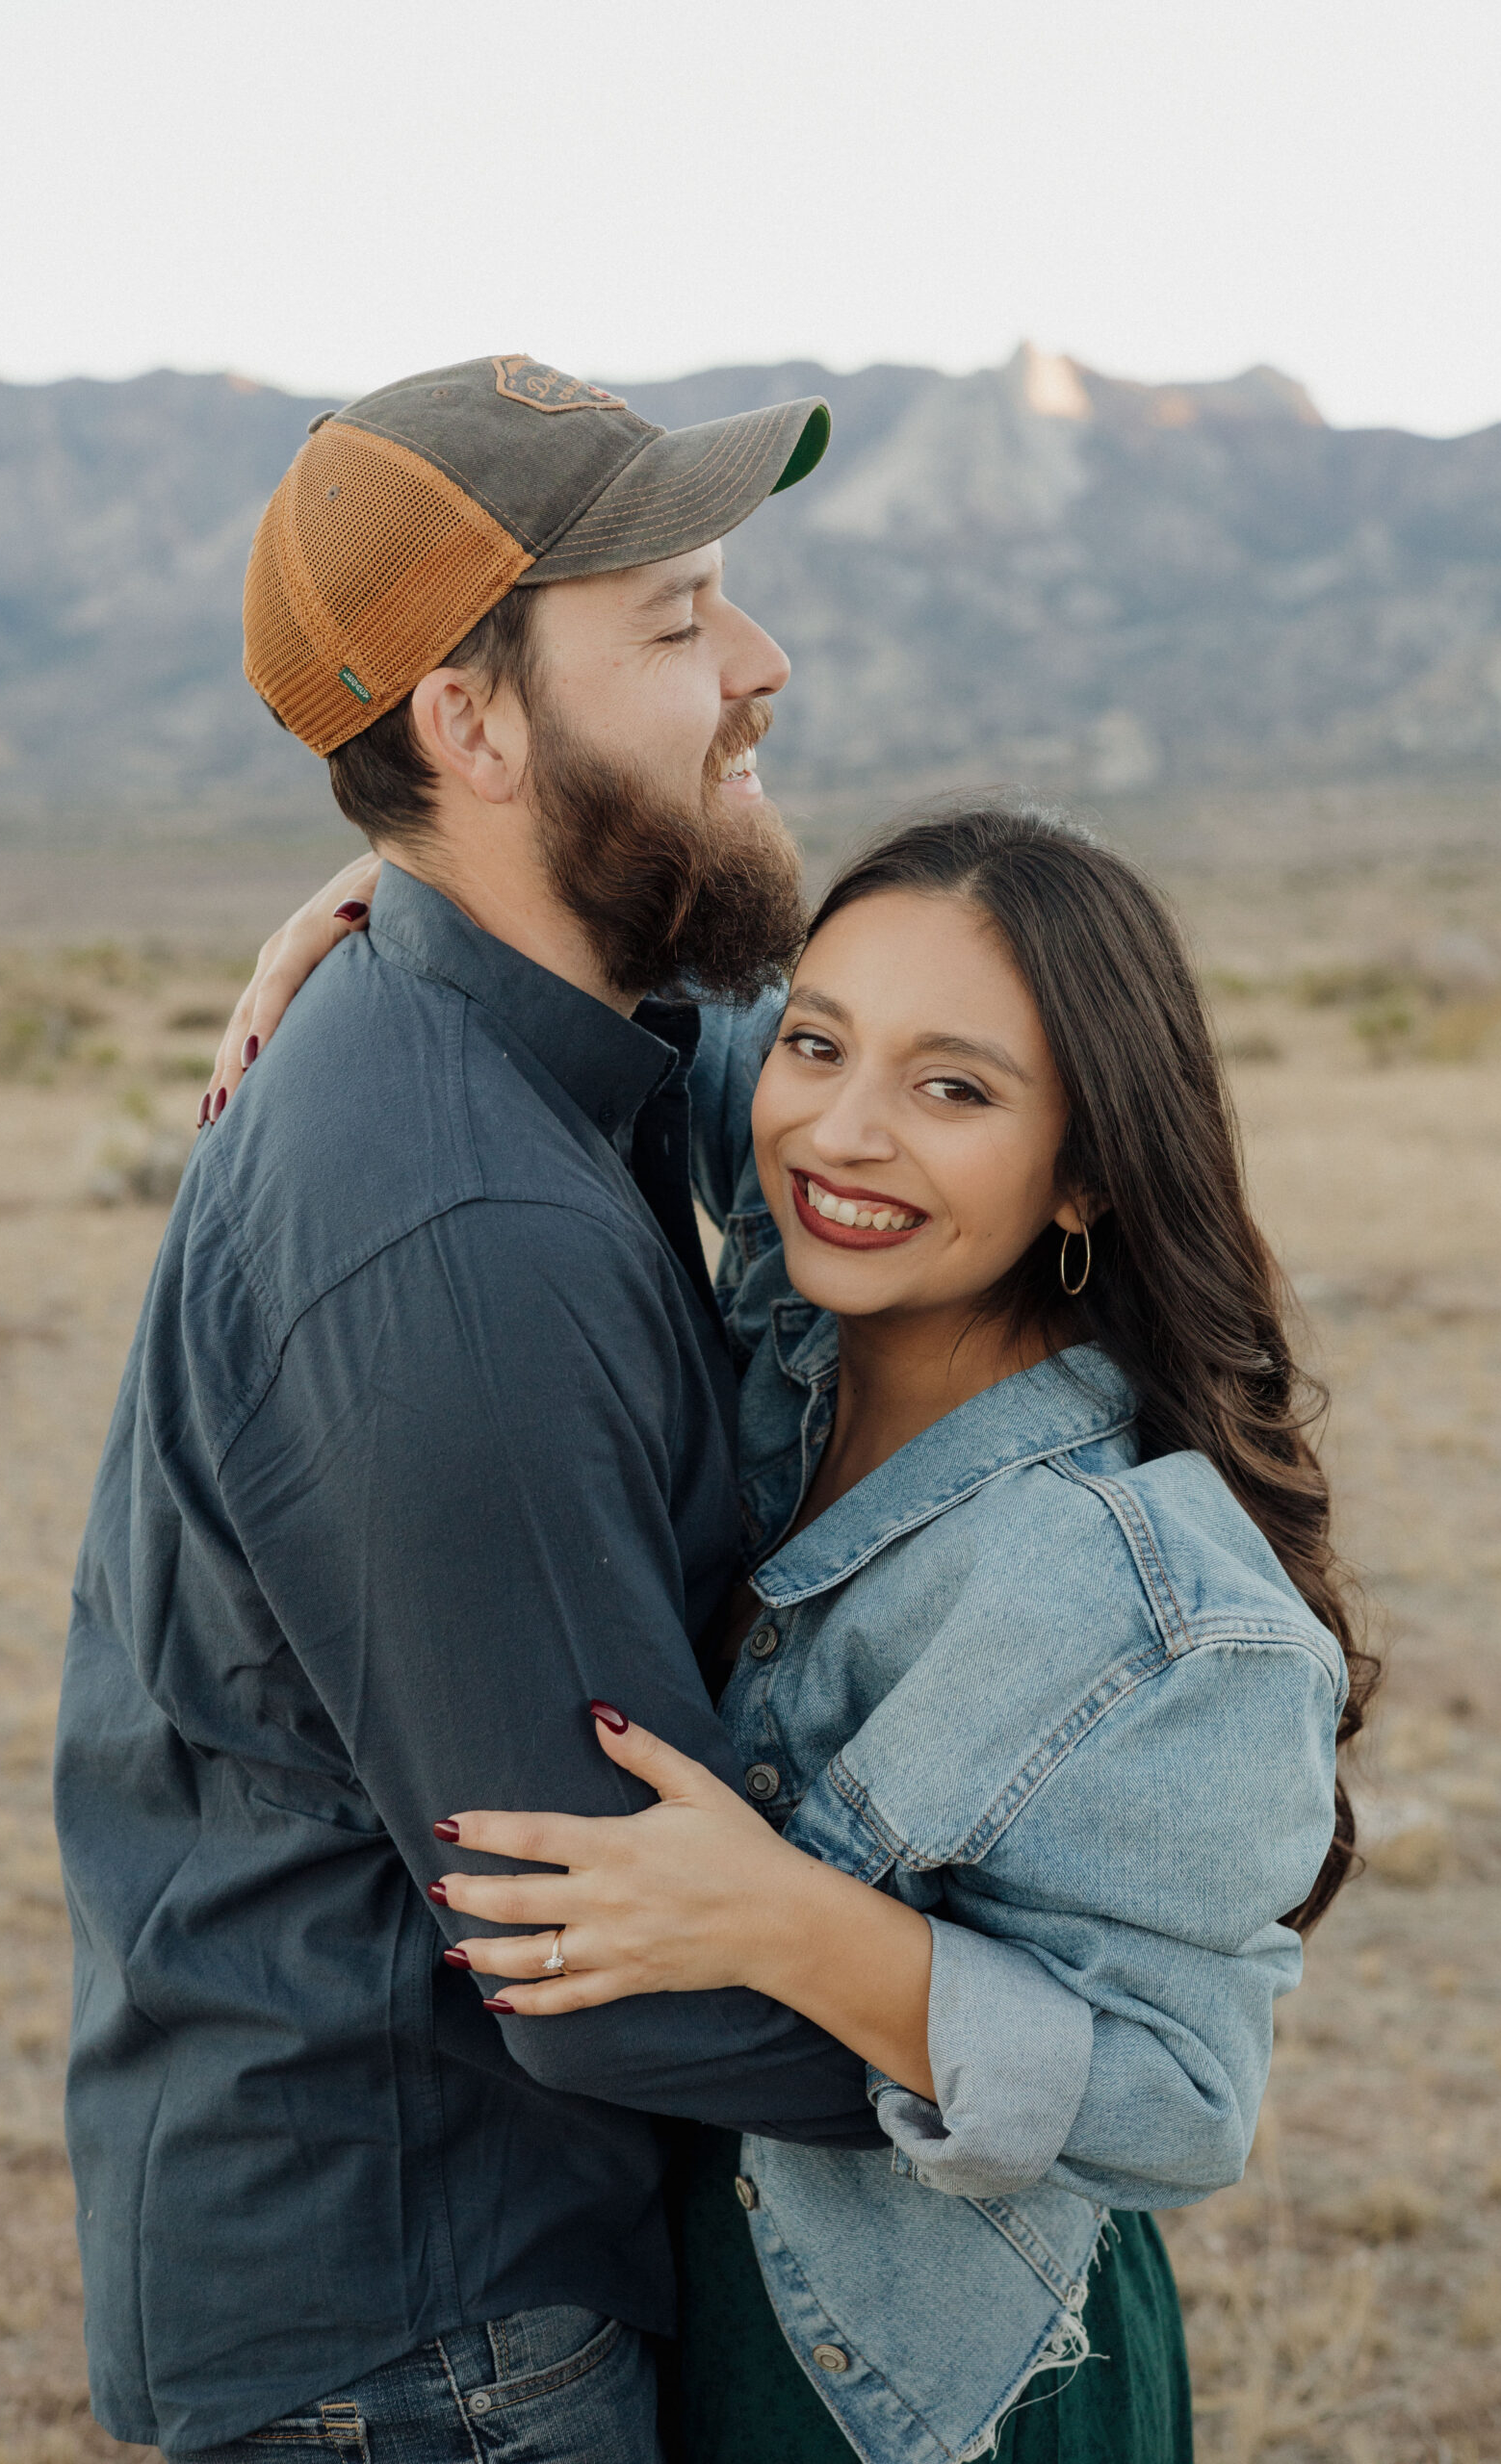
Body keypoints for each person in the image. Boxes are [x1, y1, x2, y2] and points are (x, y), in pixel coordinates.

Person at [224, 802, 1376, 2464]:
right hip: (678, 2277)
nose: (843, 1134)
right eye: (821, 1047)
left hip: (931, 2386)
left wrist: (783, 1923)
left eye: (955, 1090)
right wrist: (408, 892)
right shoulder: (802, 1287)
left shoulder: (1156, 1601)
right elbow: (646, 988)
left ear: (1091, 1170)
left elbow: (1184, 2104)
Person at [54, 354, 882, 2464]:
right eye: (680, 620)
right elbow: (614, 1948)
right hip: (425, 2345)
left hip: (428, 2286)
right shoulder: (458, 1224)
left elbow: (814, 1046)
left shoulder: (523, 1029)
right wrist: (1065, 2039)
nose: (761, 665)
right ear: (471, 719)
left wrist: (362, 885)